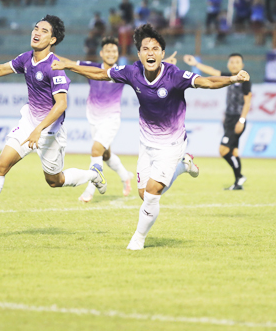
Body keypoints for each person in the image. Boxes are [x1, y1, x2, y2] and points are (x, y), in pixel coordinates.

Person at [52, 24, 250, 250]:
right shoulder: (132, 71)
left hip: (172, 143)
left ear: (162, 54)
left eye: (155, 48)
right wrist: (69, 65)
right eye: (145, 49)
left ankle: (138, 238)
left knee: (153, 192)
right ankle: (184, 167)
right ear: (139, 54)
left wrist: (233, 79)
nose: (150, 52)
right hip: (146, 143)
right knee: (143, 193)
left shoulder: (174, 75)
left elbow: (205, 82)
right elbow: (100, 73)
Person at [0, 15, 106, 232]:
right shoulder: (26, 58)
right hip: (29, 122)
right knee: (1, 165)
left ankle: (94, 174)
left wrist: (39, 130)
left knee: (55, 181)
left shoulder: (54, 66)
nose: (36, 33)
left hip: (50, 132)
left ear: (53, 40)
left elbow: (61, 105)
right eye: (35, 28)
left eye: (44, 31)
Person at [57, 37, 135, 203]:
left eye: (114, 51)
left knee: (95, 151)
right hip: (93, 119)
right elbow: (70, 63)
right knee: (105, 155)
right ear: (101, 53)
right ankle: (125, 176)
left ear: (118, 54)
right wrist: (51, 57)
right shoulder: (91, 67)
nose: (111, 54)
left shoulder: (121, 71)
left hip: (111, 118)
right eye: (107, 50)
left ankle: (90, 189)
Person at [183, 53, 252, 190]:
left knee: (223, 150)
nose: (234, 64)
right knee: (234, 152)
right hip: (228, 118)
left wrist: (242, 120)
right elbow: (213, 72)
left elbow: (248, 101)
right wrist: (196, 64)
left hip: (237, 119)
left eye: (237, 62)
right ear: (228, 64)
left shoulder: (245, 80)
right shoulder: (230, 77)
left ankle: (239, 177)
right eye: (231, 62)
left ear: (242, 65)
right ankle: (238, 182)